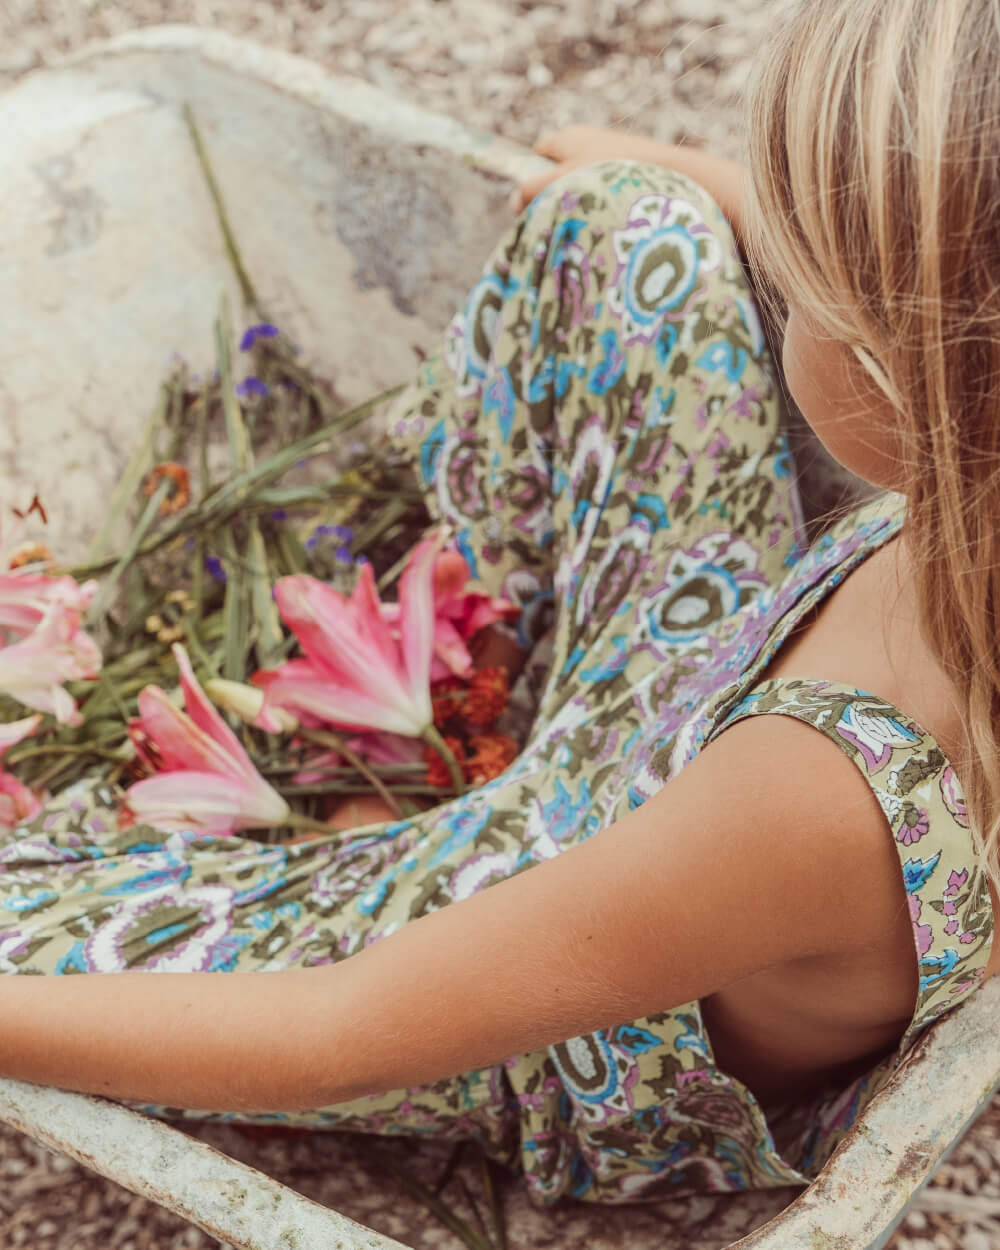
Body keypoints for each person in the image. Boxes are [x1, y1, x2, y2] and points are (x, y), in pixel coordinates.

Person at [0, 0, 995, 1209]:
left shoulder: (823, 791)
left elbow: (340, 1029)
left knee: (32, 929)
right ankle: (482, 651)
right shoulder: (964, 476)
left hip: (571, 1014)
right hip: (666, 726)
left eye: (807, 279)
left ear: (897, 380)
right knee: (629, 223)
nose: (774, 273)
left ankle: (435, 728)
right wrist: (697, 184)